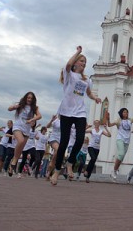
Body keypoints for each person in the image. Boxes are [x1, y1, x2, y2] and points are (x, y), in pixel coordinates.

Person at [51, 46, 101, 185]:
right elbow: (67, 65)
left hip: (80, 112)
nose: (84, 64)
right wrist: (78, 52)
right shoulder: (69, 75)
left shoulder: (87, 80)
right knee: (64, 142)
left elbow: (89, 93)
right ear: (76, 63)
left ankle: (70, 163)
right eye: (81, 61)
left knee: (80, 139)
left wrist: (95, 98)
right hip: (66, 111)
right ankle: (56, 172)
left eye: (85, 62)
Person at [7, 92, 42, 177]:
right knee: (21, 140)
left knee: (20, 148)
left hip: (26, 129)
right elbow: (9, 108)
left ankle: (12, 165)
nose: (29, 99)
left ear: (33, 100)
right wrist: (14, 107)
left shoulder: (34, 107)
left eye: (31, 98)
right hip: (18, 126)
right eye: (28, 98)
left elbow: (39, 116)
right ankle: (14, 161)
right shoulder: (21, 105)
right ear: (25, 98)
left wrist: (32, 119)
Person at [107, 108, 133, 181]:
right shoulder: (118, 121)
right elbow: (109, 125)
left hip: (127, 141)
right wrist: (108, 119)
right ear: (121, 113)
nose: (126, 113)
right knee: (120, 154)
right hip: (120, 139)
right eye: (124, 112)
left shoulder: (130, 120)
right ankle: (115, 170)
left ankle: (114, 171)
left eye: (127, 112)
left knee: (121, 158)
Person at [46, 115, 60, 180]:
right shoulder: (56, 120)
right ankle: (51, 163)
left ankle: (49, 172)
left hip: (61, 140)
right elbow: (47, 126)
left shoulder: (67, 121)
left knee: (57, 157)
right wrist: (51, 120)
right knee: (57, 149)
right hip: (54, 138)